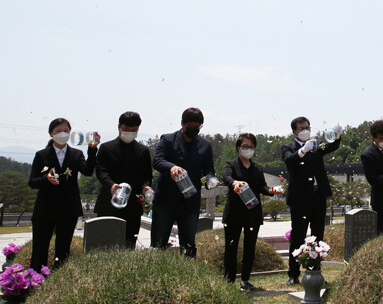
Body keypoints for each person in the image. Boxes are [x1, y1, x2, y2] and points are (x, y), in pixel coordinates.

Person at [28, 118, 98, 271]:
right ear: (50, 133)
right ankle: (36, 280)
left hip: (68, 209)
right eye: (58, 131)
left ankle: (59, 283)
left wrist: (92, 149)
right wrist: (46, 179)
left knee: (63, 250)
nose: (62, 134)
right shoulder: (42, 155)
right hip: (45, 209)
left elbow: (87, 171)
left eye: (66, 131)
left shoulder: (76, 154)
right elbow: (33, 181)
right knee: (40, 249)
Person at [281, 117, 342, 286]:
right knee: (298, 235)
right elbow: (289, 159)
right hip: (300, 198)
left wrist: (336, 134)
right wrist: (302, 151)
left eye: (307, 127)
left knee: (317, 235)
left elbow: (331, 145)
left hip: (318, 195)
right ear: (294, 131)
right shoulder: (288, 147)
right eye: (301, 128)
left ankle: (314, 270)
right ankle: (293, 274)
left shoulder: (316, 145)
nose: (305, 130)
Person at [151, 107, 216, 258]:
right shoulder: (167, 140)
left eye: (197, 127)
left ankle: (189, 274)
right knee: (158, 243)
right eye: (190, 126)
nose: (193, 129)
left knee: (188, 245)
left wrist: (210, 180)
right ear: (182, 123)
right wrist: (171, 167)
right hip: (166, 200)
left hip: (190, 201)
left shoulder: (205, 145)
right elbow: (157, 161)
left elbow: (208, 169)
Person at [223, 133, 281, 290]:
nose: (248, 150)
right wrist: (234, 183)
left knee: (250, 247)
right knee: (231, 247)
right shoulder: (231, 164)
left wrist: (272, 190)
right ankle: (228, 281)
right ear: (238, 148)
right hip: (234, 212)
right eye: (245, 147)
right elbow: (226, 178)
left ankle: (245, 280)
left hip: (252, 212)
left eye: (251, 147)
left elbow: (262, 187)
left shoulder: (257, 168)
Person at [94, 111, 153, 248]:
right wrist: (111, 185)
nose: (130, 133)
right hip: (109, 203)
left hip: (132, 205)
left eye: (134, 130)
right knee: (104, 244)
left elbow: (146, 176)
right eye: (127, 130)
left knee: (129, 245)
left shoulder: (143, 151)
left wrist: (146, 187)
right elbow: (101, 171)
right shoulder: (106, 148)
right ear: (119, 127)